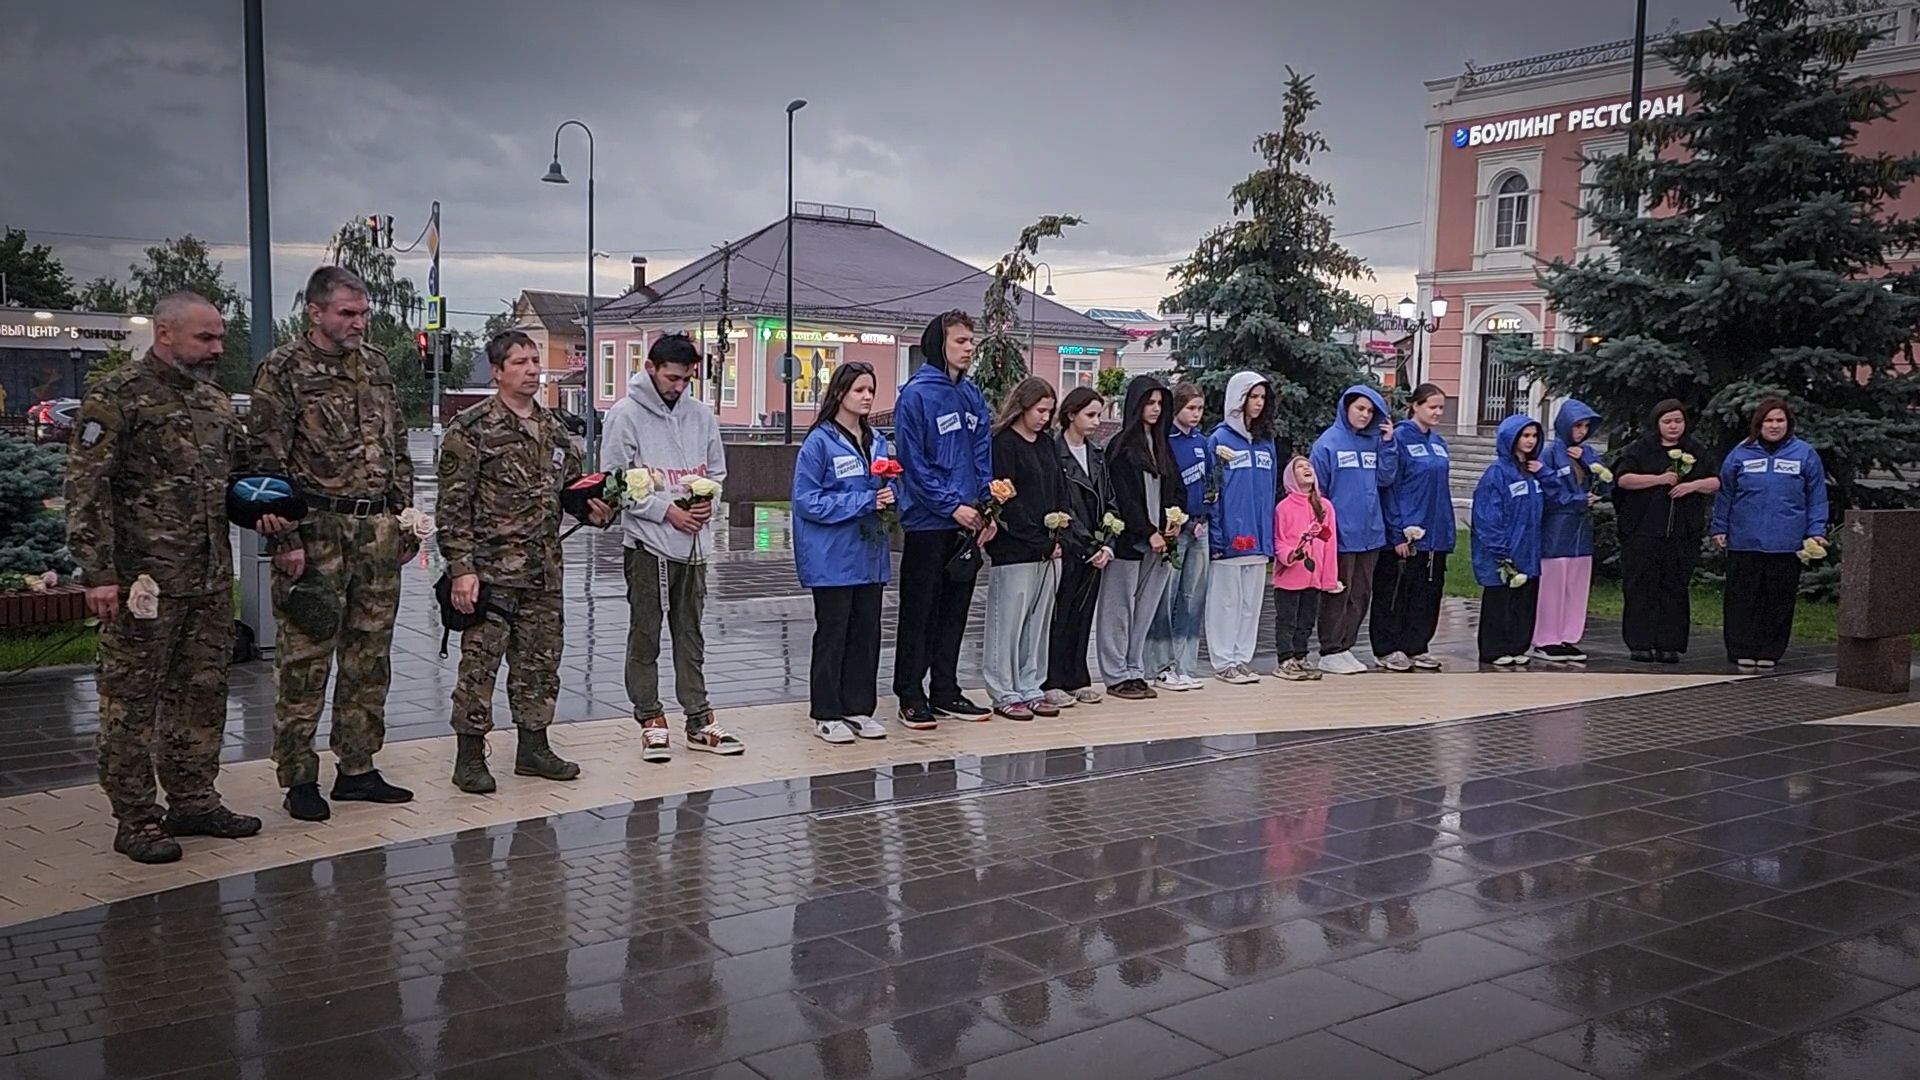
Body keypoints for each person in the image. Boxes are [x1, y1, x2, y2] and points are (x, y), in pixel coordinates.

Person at [66, 292, 282, 863]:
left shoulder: (213, 401)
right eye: (205, 338)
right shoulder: (117, 398)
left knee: (203, 694)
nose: (217, 347)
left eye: (219, 336)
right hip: (144, 585)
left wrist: (266, 508)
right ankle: (136, 816)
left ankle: (192, 799)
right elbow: (86, 490)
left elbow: (237, 482)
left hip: (209, 582)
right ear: (164, 333)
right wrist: (99, 574)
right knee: (131, 701)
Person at [249, 266, 417, 822]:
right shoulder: (284, 370)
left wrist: (405, 520)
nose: (358, 323)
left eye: (363, 312)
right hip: (316, 531)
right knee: (305, 656)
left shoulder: (376, 365)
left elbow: (397, 447)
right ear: (315, 312)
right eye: (347, 313)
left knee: (370, 656)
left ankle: (358, 768)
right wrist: (286, 537)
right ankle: (298, 776)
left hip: (375, 531)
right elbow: (266, 459)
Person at [437, 330, 607, 793]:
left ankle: (534, 747)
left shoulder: (552, 427)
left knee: (539, 662)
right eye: (520, 362)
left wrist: (595, 509)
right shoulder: (470, 429)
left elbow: (572, 489)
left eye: (535, 361)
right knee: (480, 665)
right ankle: (469, 755)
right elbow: (452, 507)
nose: (532, 369)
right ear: (497, 371)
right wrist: (461, 569)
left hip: (543, 571)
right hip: (490, 573)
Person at [602, 332, 741, 761]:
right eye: (672, 378)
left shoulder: (700, 415)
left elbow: (716, 470)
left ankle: (698, 717)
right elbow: (614, 482)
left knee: (690, 632)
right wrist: (666, 511)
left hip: (694, 544)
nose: (678, 387)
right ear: (651, 369)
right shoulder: (624, 415)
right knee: (646, 632)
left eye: (686, 380)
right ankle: (650, 718)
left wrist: (702, 502)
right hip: (648, 544)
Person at [892, 310, 995, 730]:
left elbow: (982, 452)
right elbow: (913, 462)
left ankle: (946, 688)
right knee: (920, 611)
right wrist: (951, 505)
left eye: (972, 342)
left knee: (956, 611)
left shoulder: (972, 395)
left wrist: (987, 507)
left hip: (966, 523)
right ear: (939, 343)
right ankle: (910, 693)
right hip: (928, 522)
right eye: (960, 342)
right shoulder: (916, 395)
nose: (969, 349)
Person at [791, 362, 894, 743]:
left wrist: (889, 496)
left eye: (871, 390)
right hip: (832, 556)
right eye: (859, 390)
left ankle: (858, 708)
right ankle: (826, 711)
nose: (867, 397)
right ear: (839, 393)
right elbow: (807, 501)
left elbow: (884, 486)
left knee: (866, 633)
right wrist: (865, 501)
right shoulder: (819, 442)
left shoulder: (877, 441)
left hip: (870, 554)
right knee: (834, 632)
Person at [1712, 398, 1828, 668]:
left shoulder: (1804, 454)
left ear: (1788, 424)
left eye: (1780, 420)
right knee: (1742, 598)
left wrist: (1816, 530)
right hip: (1744, 540)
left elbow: (1817, 497)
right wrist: (1719, 527)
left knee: (1778, 599)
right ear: (1759, 424)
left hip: (1786, 542)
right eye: (1769, 420)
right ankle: (1741, 647)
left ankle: (1769, 651)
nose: (1774, 426)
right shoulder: (1741, 453)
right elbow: (1725, 493)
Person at [1610, 399, 1722, 663]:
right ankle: (1640, 642)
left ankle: (1670, 643)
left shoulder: (1694, 450)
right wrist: (1659, 479)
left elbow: (1715, 481)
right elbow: (1623, 479)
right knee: (1641, 587)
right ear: (1657, 423)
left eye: (1678, 421)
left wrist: (1691, 486)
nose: (1673, 426)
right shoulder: (1641, 449)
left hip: (1681, 533)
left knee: (1674, 588)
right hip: (1643, 532)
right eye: (1667, 421)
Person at [984, 377, 1068, 720]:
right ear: (1022, 406)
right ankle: (1004, 689)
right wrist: (1036, 537)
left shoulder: (1046, 444)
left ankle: (1031, 683)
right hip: (1016, 549)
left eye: (1049, 412)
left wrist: (1060, 531)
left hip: (1049, 548)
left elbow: (1059, 488)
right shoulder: (1004, 444)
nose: (1044, 418)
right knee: (1009, 621)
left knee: (1037, 621)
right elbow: (1007, 498)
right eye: (1040, 410)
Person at [1100, 375, 1184, 699]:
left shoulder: (1162, 445)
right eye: (1149, 403)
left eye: (1160, 404)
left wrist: (1174, 520)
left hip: (1161, 543)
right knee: (1118, 609)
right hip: (1131, 542)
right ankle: (1115, 672)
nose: (1155, 409)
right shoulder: (1122, 446)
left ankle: (1134, 668)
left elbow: (1175, 488)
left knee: (1145, 608)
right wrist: (1147, 530)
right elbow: (1124, 496)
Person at [1310, 385, 1398, 674]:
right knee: (1338, 592)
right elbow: (1318, 492)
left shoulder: (1373, 443)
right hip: (1340, 534)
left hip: (1370, 532)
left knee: (1361, 593)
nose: (1365, 415)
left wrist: (1387, 443)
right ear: (1346, 407)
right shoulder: (1328, 443)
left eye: (1371, 411)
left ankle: (1346, 645)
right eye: (1360, 408)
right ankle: (1330, 649)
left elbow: (1385, 478)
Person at [1372, 383, 1455, 672]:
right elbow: (1391, 487)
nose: (1437, 412)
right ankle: (1387, 647)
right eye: (1432, 406)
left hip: (1435, 534)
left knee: (1427, 592)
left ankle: (1417, 645)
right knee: (1396, 592)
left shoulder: (1439, 443)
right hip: (1407, 529)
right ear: (1415, 406)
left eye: (1441, 407)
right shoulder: (1401, 439)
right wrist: (1397, 531)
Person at [1205, 372, 1279, 684]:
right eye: (1253, 396)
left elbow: (1271, 488)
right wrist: (1218, 535)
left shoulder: (1266, 443)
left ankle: (1242, 658)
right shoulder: (1219, 440)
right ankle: (1224, 661)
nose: (1258, 403)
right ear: (1238, 399)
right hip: (1231, 537)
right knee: (1226, 601)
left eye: (1263, 397)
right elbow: (1212, 491)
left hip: (1258, 537)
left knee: (1251, 603)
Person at [1043, 386, 1114, 709]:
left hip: (1095, 548)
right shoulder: (1054, 453)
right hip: (1070, 547)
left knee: (1083, 614)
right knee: (1060, 614)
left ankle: (1077, 677)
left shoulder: (1097, 455)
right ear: (1071, 414)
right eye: (1090, 414)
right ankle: (1053, 678)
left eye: (1099, 414)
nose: (1096, 422)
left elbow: (1110, 500)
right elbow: (1063, 505)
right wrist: (1086, 545)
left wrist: (1108, 543)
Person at [1147, 382, 1212, 693]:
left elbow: (1210, 481)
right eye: (1190, 408)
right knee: (1167, 597)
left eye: (1200, 409)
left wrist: (1206, 514)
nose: (1196, 414)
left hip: (1200, 527)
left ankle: (1185, 664)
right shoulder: (1166, 441)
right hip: (1175, 527)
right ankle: (1160, 665)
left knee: (1192, 599)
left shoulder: (1202, 442)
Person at [1472, 414, 1547, 666]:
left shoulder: (1533, 472)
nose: (1530, 441)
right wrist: (1500, 550)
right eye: (1525, 436)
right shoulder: (1497, 474)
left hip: (1529, 549)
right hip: (1505, 551)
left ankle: (1517, 645)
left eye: (1534, 436)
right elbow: (1487, 516)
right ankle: (1494, 648)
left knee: (1524, 600)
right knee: (1499, 600)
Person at [1531, 399, 1602, 663]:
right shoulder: (1549, 453)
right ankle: (1546, 638)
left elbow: (1606, 483)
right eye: (1577, 426)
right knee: (1553, 584)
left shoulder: (1588, 453)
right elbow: (1549, 491)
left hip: (1581, 531)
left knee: (1576, 584)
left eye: (1586, 426)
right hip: (1556, 528)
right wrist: (1577, 501)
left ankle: (1568, 636)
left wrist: (1588, 462)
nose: (1582, 432)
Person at [1272, 456, 1339, 681]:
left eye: (1308, 465)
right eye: (1299, 467)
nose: (1306, 468)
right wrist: (1289, 555)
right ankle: (1285, 659)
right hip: (1290, 575)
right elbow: (1279, 539)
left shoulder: (1325, 506)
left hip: (1314, 576)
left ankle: (1301, 656)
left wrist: (1328, 578)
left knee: (1307, 619)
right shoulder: (1284, 508)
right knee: (1287, 619)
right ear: (1291, 476)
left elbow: (1330, 545)